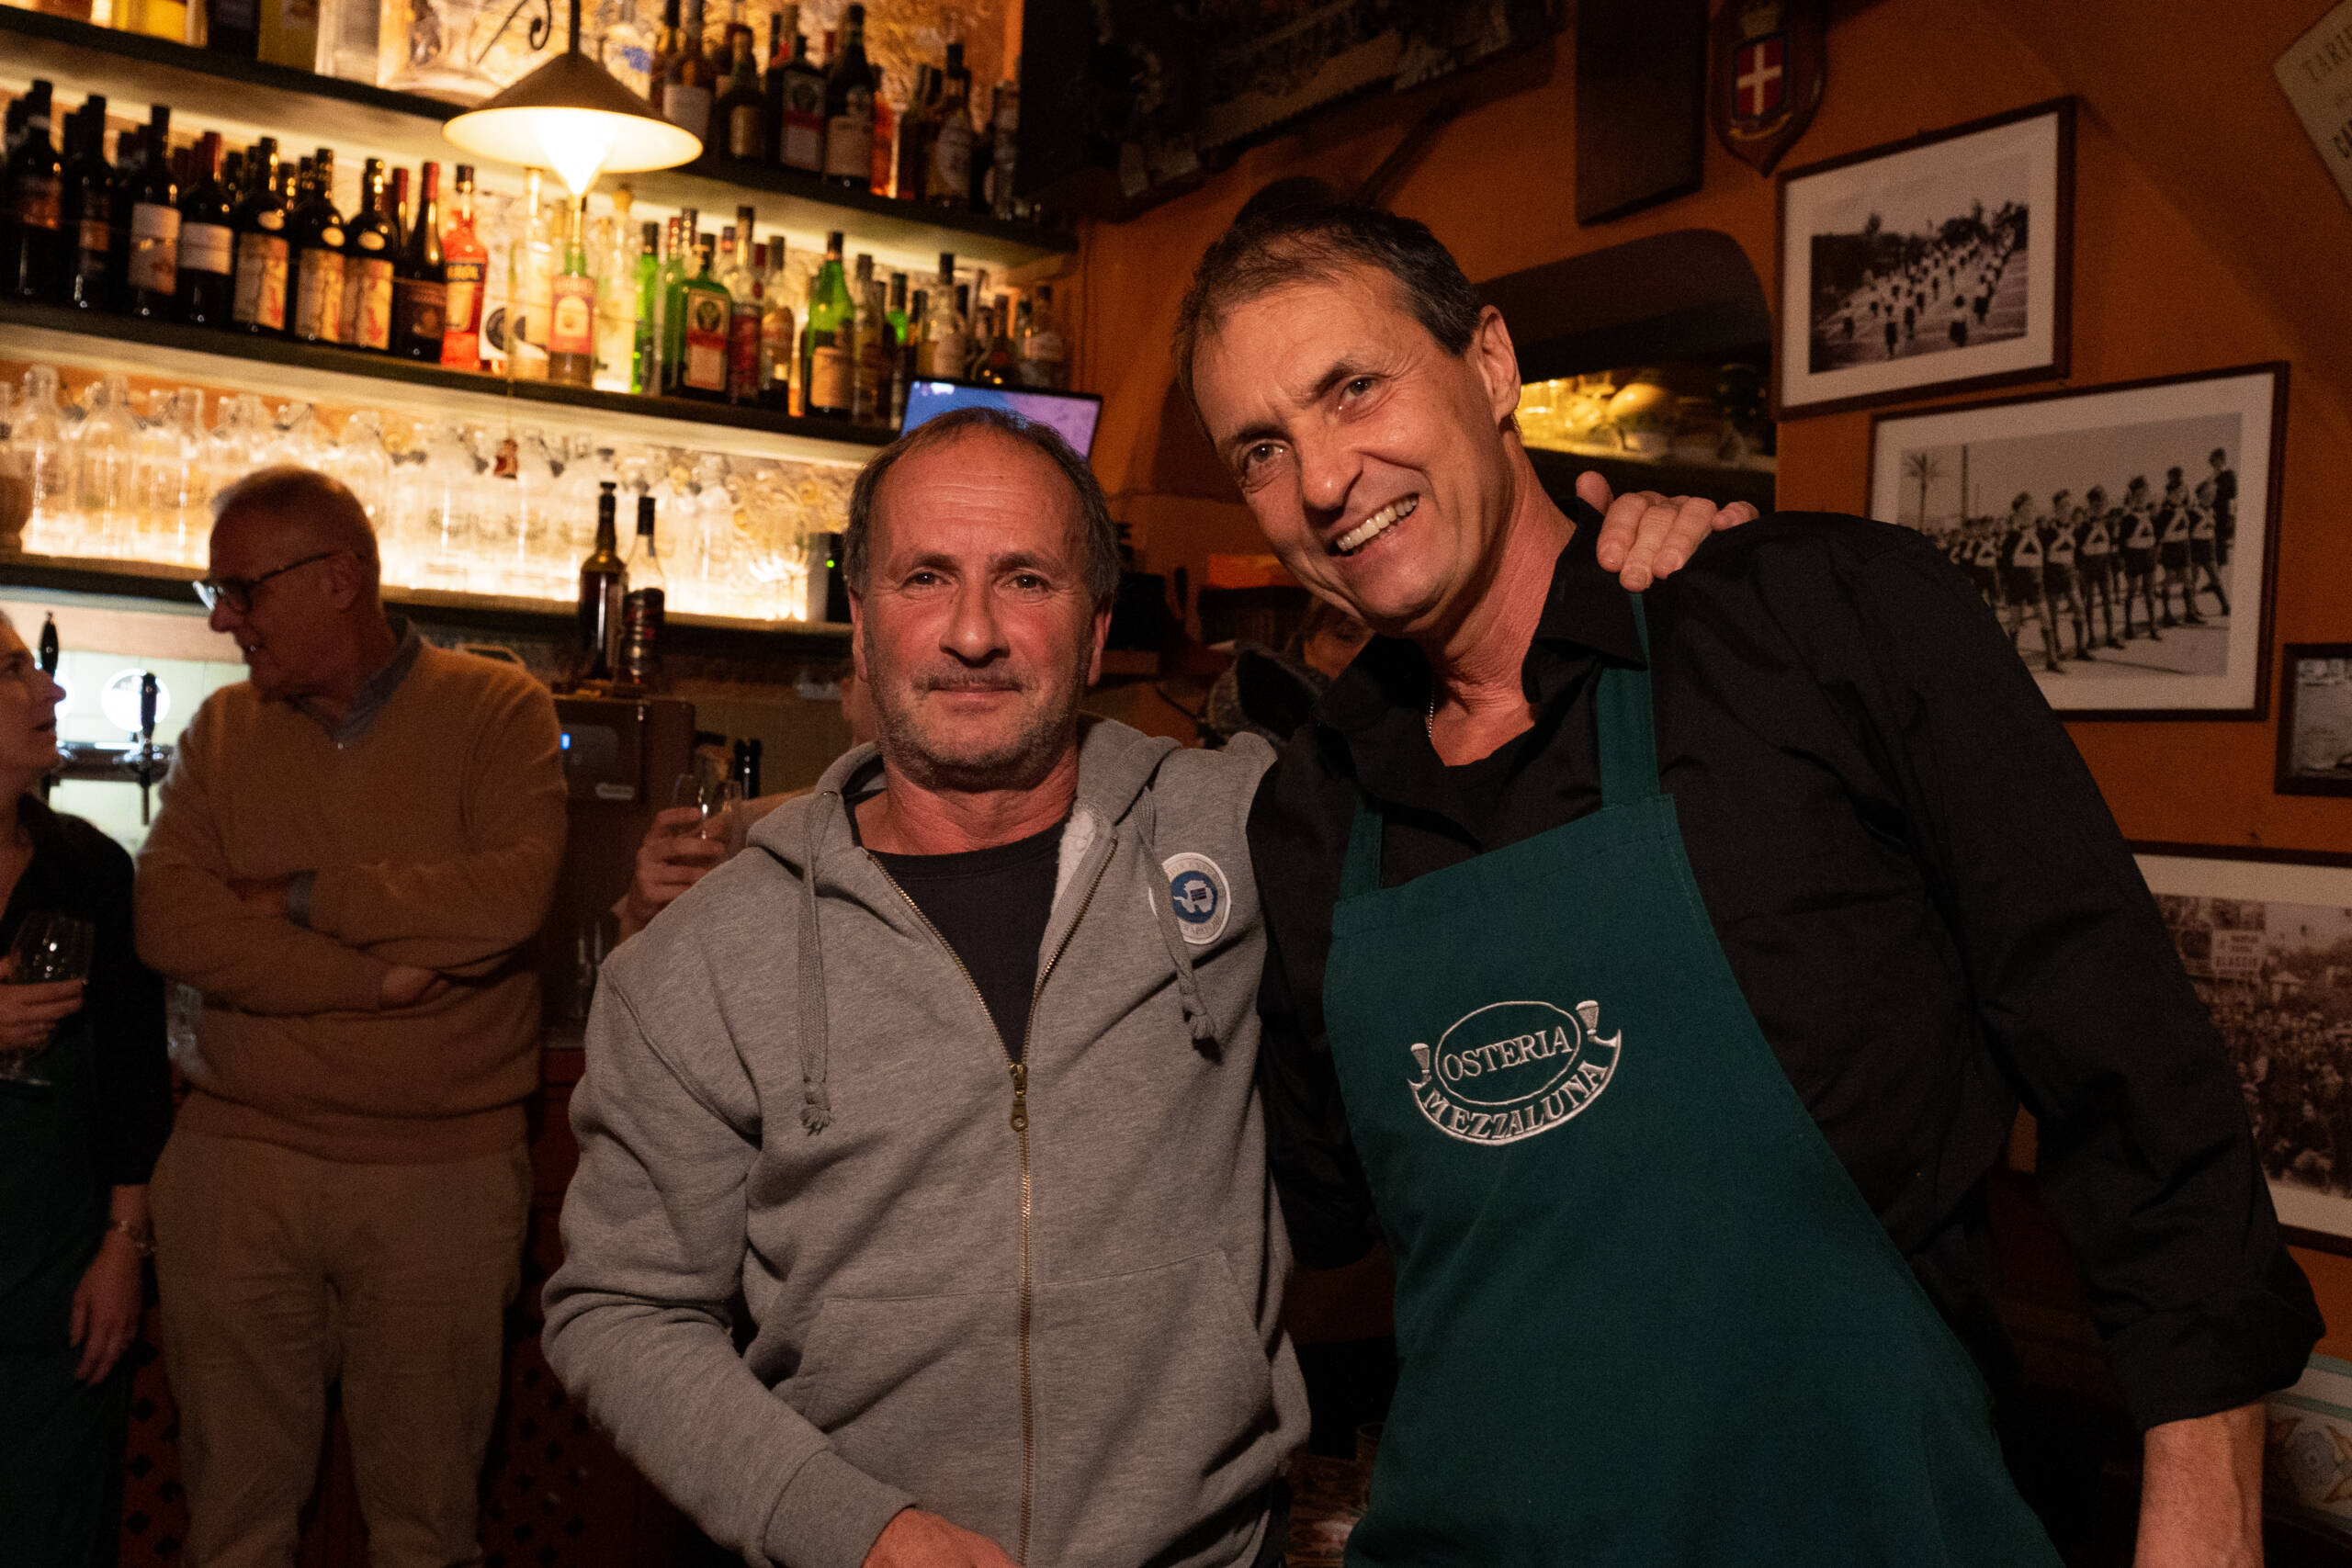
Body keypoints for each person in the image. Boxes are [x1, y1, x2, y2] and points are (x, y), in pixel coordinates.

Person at [1180, 189, 2320, 1566]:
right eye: (1261, 449)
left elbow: (2132, 1069)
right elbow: (1312, 1211)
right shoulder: (1314, 811)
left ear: (1489, 363)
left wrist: (2205, 1508)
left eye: (1353, 387)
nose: (1320, 479)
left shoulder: (1812, 624)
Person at [542, 407, 1747, 1568]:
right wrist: (851, 1528)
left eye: (1027, 579)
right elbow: (622, 1308)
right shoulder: (701, 963)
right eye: (924, 578)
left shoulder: (1254, 829)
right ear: (860, 620)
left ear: (1095, 625)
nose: (973, 631)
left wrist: (1642, 572)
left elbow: (1514, 762)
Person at [134, 468, 567, 1568]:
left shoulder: (497, 709)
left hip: (441, 1177)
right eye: (216, 592)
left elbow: (506, 900)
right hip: (235, 1166)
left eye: (242, 590)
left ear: (339, 579)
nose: (224, 619)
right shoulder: (222, 729)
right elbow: (170, 920)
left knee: (427, 1534)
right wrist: (373, 981)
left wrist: (296, 896)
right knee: (231, 1535)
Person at [0, 612, 170, 1568]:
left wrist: (123, 1246)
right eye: (11, 670)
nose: (50, 688)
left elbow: (134, 1080)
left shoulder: (89, 868)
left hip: (51, 1293)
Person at [614, 660, 878, 943]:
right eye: (875, 667)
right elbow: (636, 947)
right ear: (847, 696)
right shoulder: (743, 827)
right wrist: (639, 917)